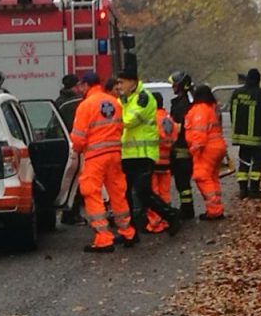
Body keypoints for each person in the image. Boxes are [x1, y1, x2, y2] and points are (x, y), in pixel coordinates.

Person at [69, 71, 137, 252]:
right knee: (118, 192)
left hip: (96, 156)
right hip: (115, 154)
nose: (79, 88)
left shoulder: (86, 106)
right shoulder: (114, 103)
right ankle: (127, 232)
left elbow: (78, 138)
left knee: (91, 192)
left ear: (86, 85)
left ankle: (104, 239)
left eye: (81, 85)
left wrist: (76, 149)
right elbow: (121, 127)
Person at [118, 59, 181, 236]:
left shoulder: (143, 98)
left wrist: (115, 119)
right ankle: (131, 231)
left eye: (122, 82)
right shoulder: (127, 99)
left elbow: (129, 121)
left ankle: (170, 215)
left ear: (133, 82)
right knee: (128, 193)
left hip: (143, 154)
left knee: (144, 192)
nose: (119, 86)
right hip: (129, 154)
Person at [229, 67, 261, 199]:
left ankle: (243, 190)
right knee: (257, 163)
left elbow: (232, 112)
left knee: (244, 162)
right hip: (258, 137)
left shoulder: (236, 93)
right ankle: (254, 189)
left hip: (241, 138)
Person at [186, 84, 227, 220]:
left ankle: (214, 210)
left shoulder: (200, 109)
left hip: (206, 148)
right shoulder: (211, 108)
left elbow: (199, 133)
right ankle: (216, 207)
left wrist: (194, 149)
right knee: (212, 177)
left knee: (202, 177)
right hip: (216, 146)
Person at [56, 73, 88, 225]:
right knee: (77, 182)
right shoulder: (75, 103)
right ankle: (72, 214)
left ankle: (67, 212)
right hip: (76, 148)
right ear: (74, 87)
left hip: (63, 146)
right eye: (79, 85)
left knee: (70, 182)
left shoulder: (59, 102)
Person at [146, 92, 179, 234]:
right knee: (165, 193)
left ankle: (155, 222)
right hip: (166, 161)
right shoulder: (169, 120)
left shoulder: (150, 119)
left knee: (154, 192)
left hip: (153, 160)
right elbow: (174, 138)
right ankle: (166, 219)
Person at [167, 71, 196, 219]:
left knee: (182, 182)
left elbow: (178, 127)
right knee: (183, 183)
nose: (173, 86)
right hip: (184, 147)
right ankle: (187, 208)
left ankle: (187, 210)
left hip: (181, 148)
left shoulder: (182, 104)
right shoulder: (187, 101)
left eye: (175, 84)